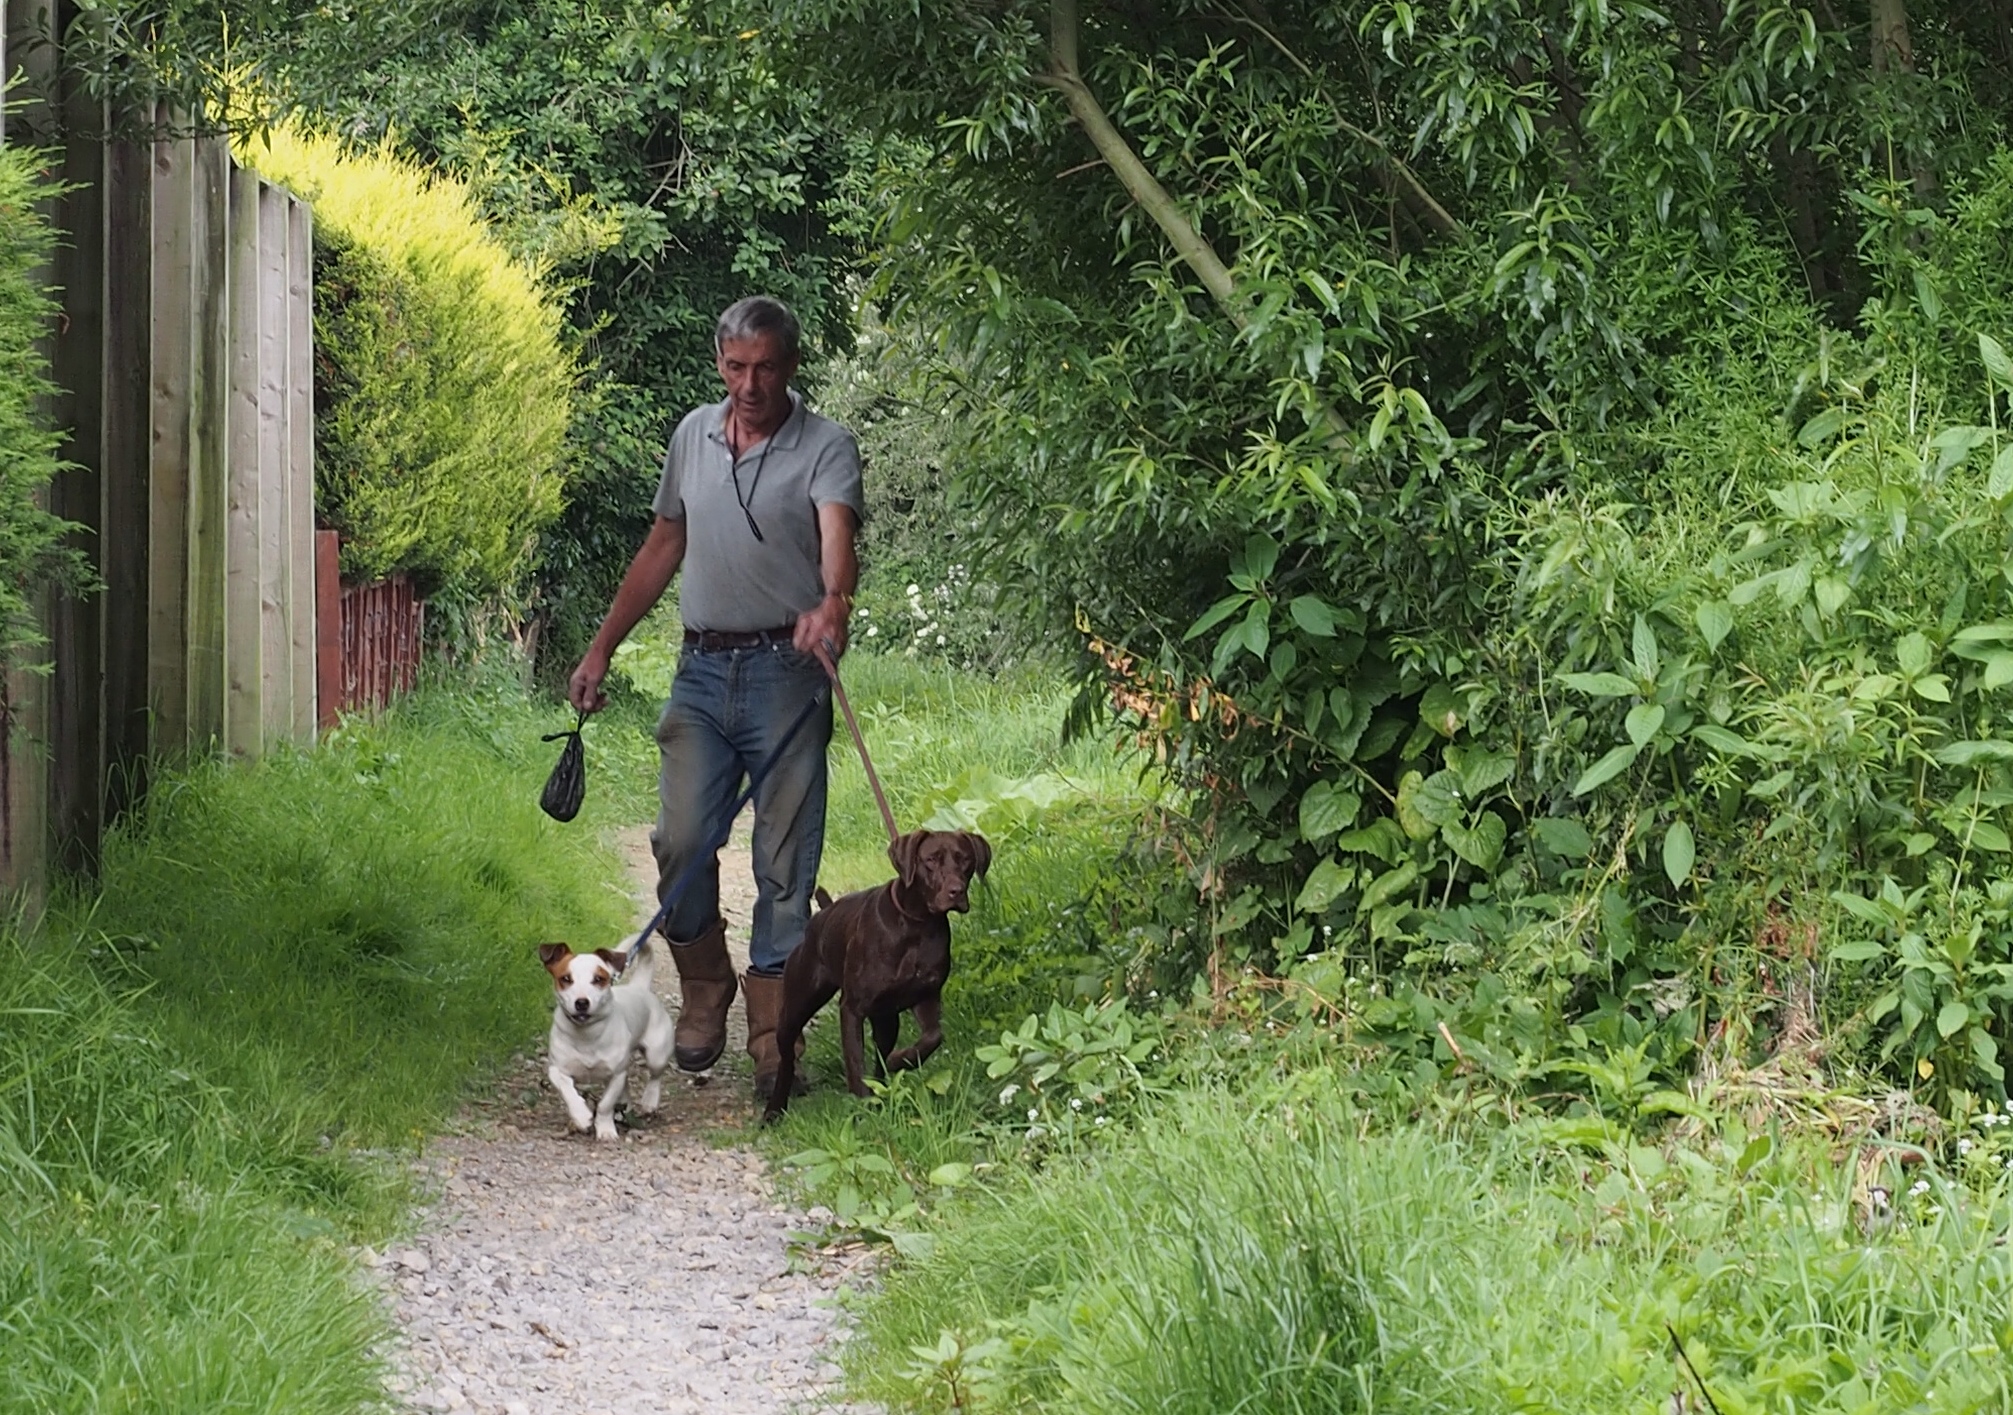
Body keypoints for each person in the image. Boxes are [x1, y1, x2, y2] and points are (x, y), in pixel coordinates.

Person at [568, 296, 861, 1100]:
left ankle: (774, 1035)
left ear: (790, 366)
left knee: (783, 861)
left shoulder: (826, 445)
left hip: (790, 674)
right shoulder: (692, 434)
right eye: (736, 367)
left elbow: (838, 538)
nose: (750, 384)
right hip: (700, 669)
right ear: (719, 363)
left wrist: (831, 604)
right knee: (682, 838)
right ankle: (705, 989)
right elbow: (665, 541)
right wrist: (602, 646)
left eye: (766, 367)